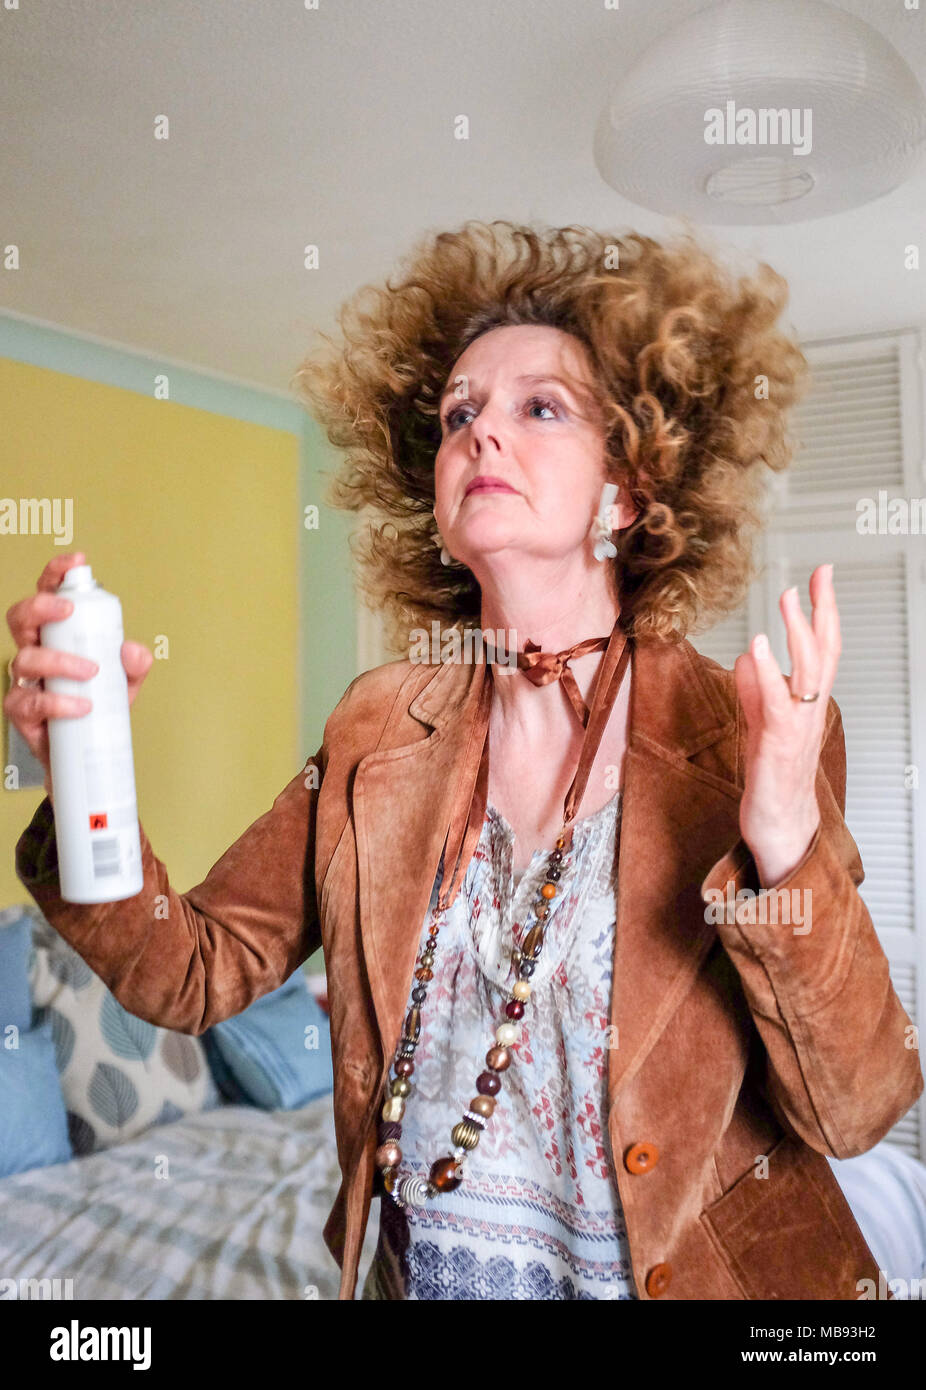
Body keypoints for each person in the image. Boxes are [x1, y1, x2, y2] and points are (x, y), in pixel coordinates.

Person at [8, 221, 922, 1302]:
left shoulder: (737, 734)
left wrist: (780, 837)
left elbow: (851, 1108)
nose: (482, 432)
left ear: (623, 493)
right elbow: (197, 969)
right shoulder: (373, 732)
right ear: (437, 506)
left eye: (539, 407)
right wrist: (74, 781)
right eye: (458, 416)